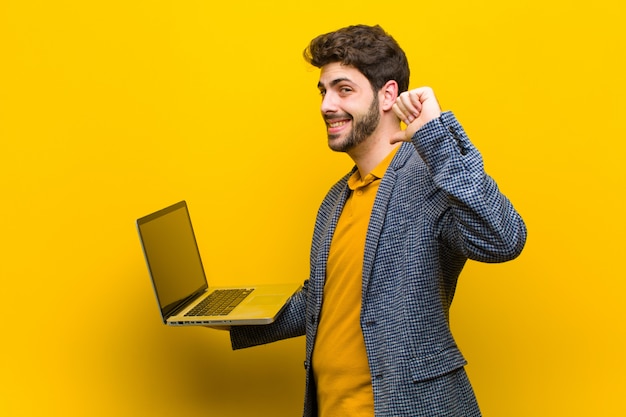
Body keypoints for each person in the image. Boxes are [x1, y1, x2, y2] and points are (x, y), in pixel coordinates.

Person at [226, 24, 527, 417]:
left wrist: (435, 137)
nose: (326, 105)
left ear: (388, 95)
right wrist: (229, 318)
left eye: (344, 89)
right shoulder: (337, 198)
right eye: (323, 91)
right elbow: (324, 302)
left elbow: (504, 239)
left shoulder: (431, 177)